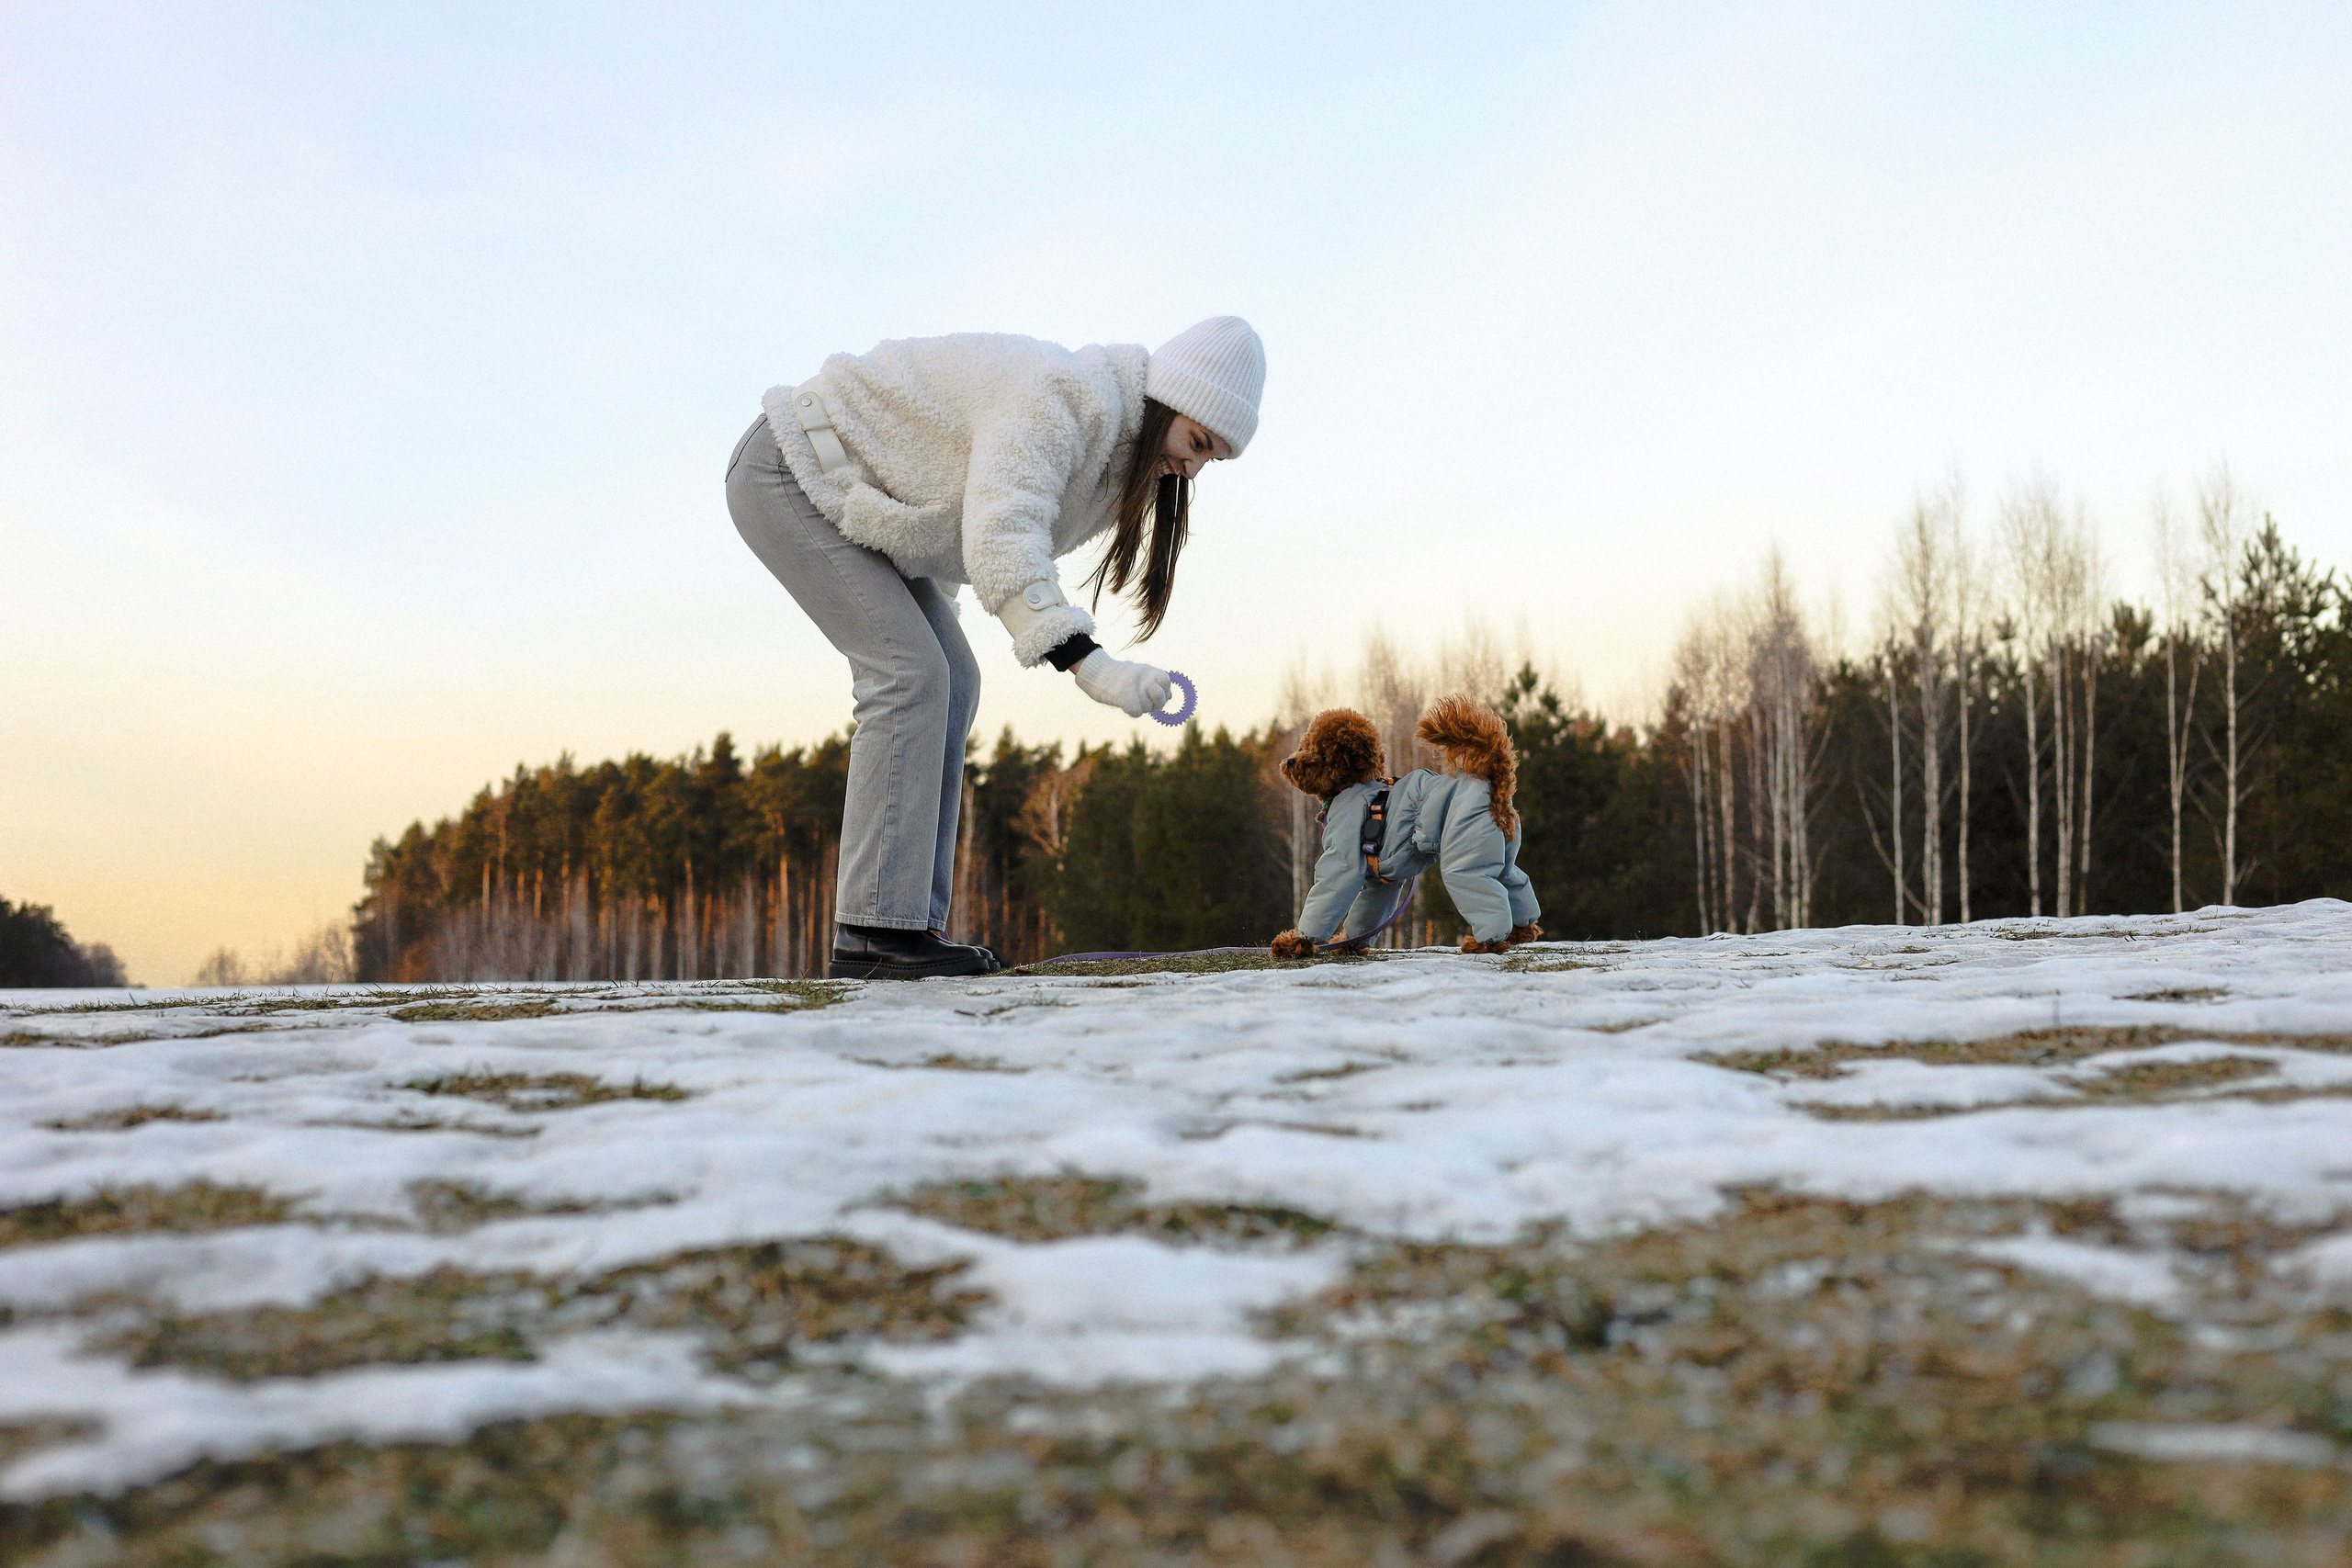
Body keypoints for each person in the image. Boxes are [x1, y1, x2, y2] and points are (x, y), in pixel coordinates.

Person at [725, 317, 1266, 979]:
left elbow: (954, 507)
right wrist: (1089, 665)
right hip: (795, 466)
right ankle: (873, 932)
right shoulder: (1067, 396)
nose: (1194, 466)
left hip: (863, 503)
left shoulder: (1116, 454)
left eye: (1213, 457)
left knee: (953, 675)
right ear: (1169, 406)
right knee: (911, 673)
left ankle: (908, 925)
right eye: (1198, 441)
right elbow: (1002, 533)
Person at [1269, 698, 1543, 956]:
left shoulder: (1351, 810)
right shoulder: (1381, 797)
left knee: (1467, 871)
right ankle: (1523, 924)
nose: (1298, 759)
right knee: (1499, 866)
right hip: (1496, 803)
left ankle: (1491, 938)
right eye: (1305, 749)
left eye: (1318, 756)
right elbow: (1381, 885)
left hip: (1465, 811)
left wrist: (1306, 937)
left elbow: (1337, 878)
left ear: (1343, 767)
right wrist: (1354, 940)